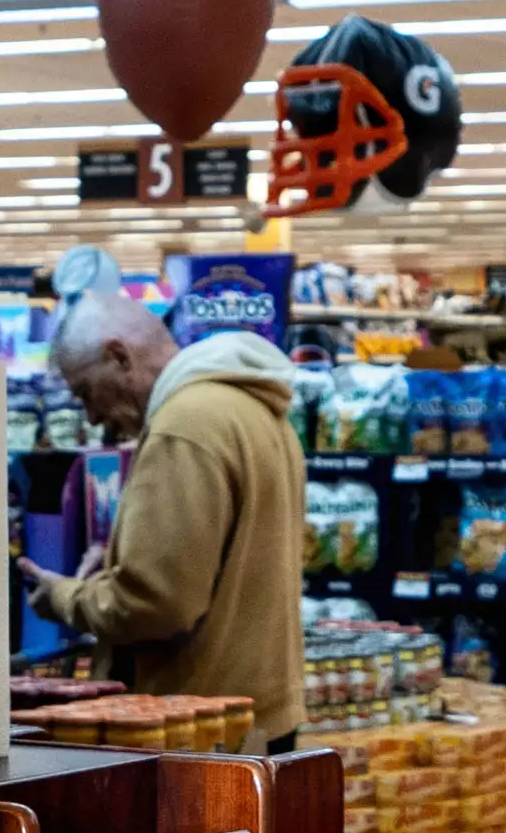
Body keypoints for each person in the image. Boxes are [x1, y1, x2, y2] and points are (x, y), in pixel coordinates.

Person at [18, 287, 307, 749]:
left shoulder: (184, 426)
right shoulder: (251, 408)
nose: (93, 418)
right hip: (255, 715)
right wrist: (118, 560)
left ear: (119, 357)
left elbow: (157, 605)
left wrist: (65, 596)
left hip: (193, 727)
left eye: (87, 393)